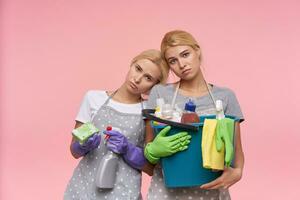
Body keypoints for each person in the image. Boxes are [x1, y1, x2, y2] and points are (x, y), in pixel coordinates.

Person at [64, 49, 191, 200]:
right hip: (83, 190)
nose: (137, 79)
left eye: (148, 78)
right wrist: (83, 145)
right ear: (131, 65)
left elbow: (150, 168)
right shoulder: (93, 98)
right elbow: (74, 151)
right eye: (138, 69)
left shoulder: (148, 113)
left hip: (124, 192)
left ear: (154, 86)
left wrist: (128, 150)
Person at [144, 30, 245, 200]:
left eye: (185, 54)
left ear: (197, 51)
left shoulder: (226, 96)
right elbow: (148, 149)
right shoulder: (160, 93)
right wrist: (152, 151)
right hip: (165, 193)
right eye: (173, 61)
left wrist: (237, 172)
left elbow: (236, 153)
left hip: (211, 192)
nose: (181, 64)